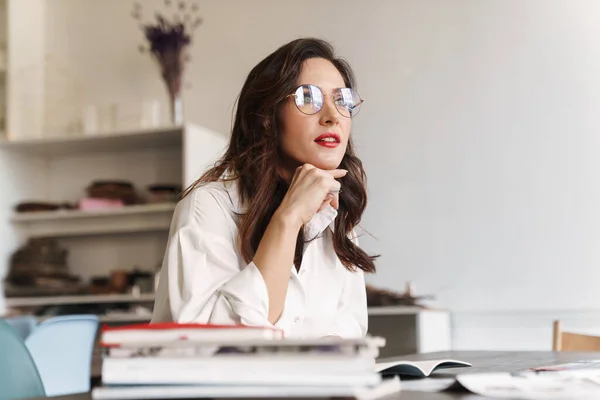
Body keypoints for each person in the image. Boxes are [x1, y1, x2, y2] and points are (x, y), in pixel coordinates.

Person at [151, 37, 376, 338]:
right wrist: (288, 219)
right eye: (308, 97)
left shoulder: (335, 217)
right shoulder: (208, 207)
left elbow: (350, 326)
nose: (332, 116)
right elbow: (214, 342)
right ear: (269, 118)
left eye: (342, 100)